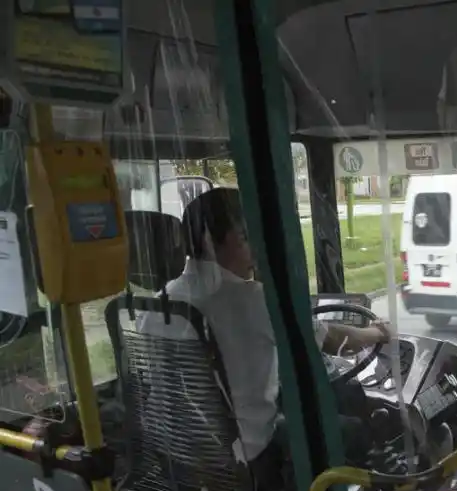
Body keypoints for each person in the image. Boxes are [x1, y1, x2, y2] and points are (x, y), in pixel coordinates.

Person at [139, 187, 390, 466]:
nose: (257, 247)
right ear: (223, 240)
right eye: (249, 236)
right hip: (243, 457)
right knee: (352, 431)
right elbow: (333, 341)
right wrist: (378, 332)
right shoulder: (252, 300)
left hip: (171, 455)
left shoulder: (156, 303)